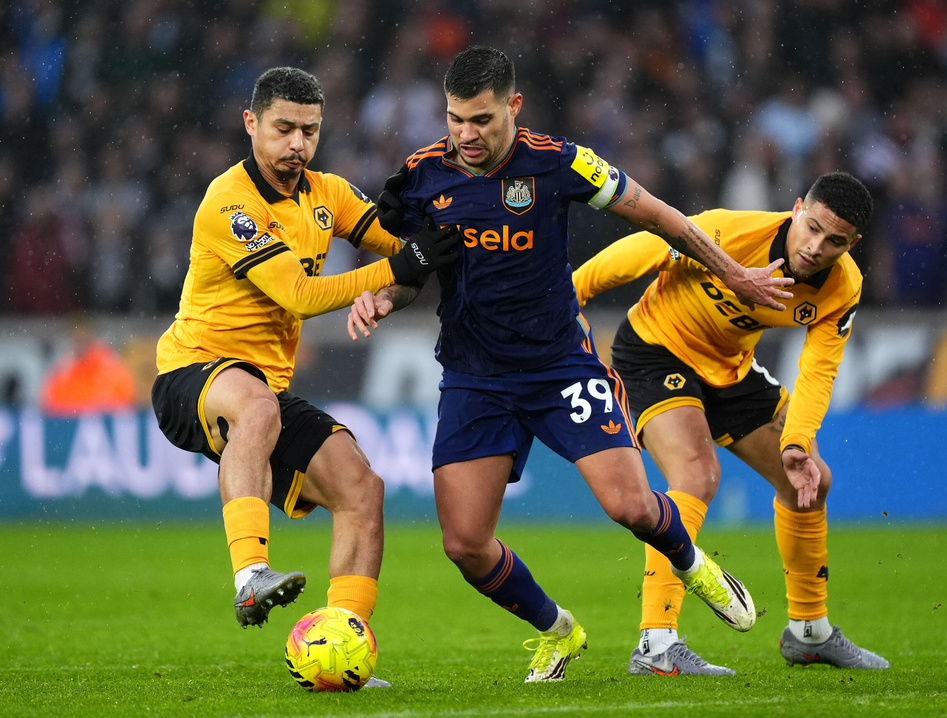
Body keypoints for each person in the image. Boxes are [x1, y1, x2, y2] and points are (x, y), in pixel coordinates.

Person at [347, 46, 794, 682]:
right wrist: (380, 297)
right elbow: (413, 270)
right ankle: (558, 630)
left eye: (482, 120)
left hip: (562, 367)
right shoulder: (422, 177)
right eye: (455, 120)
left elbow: (664, 218)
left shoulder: (559, 163)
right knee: (464, 544)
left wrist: (737, 276)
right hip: (475, 376)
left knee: (633, 508)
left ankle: (694, 565)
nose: (467, 135)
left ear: (513, 106)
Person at [150, 67, 457, 680]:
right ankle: (249, 576)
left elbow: (402, 248)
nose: (297, 143)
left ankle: (345, 645)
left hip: (264, 386)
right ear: (251, 124)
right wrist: (394, 269)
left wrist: (430, 229)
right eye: (284, 128)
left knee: (362, 490)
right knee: (257, 406)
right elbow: (300, 295)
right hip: (192, 371)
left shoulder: (329, 194)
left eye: (309, 131)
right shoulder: (228, 202)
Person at [572, 171, 890, 675]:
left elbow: (819, 370)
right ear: (795, 208)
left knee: (810, 478)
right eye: (811, 228)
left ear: (853, 244)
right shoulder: (730, 231)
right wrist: (570, 295)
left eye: (835, 242)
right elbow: (648, 249)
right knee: (697, 477)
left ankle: (809, 632)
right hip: (655, 351)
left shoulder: (842, 287)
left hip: (729, 368)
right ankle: (655, 644)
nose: (815, 248)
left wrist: (797, 442)